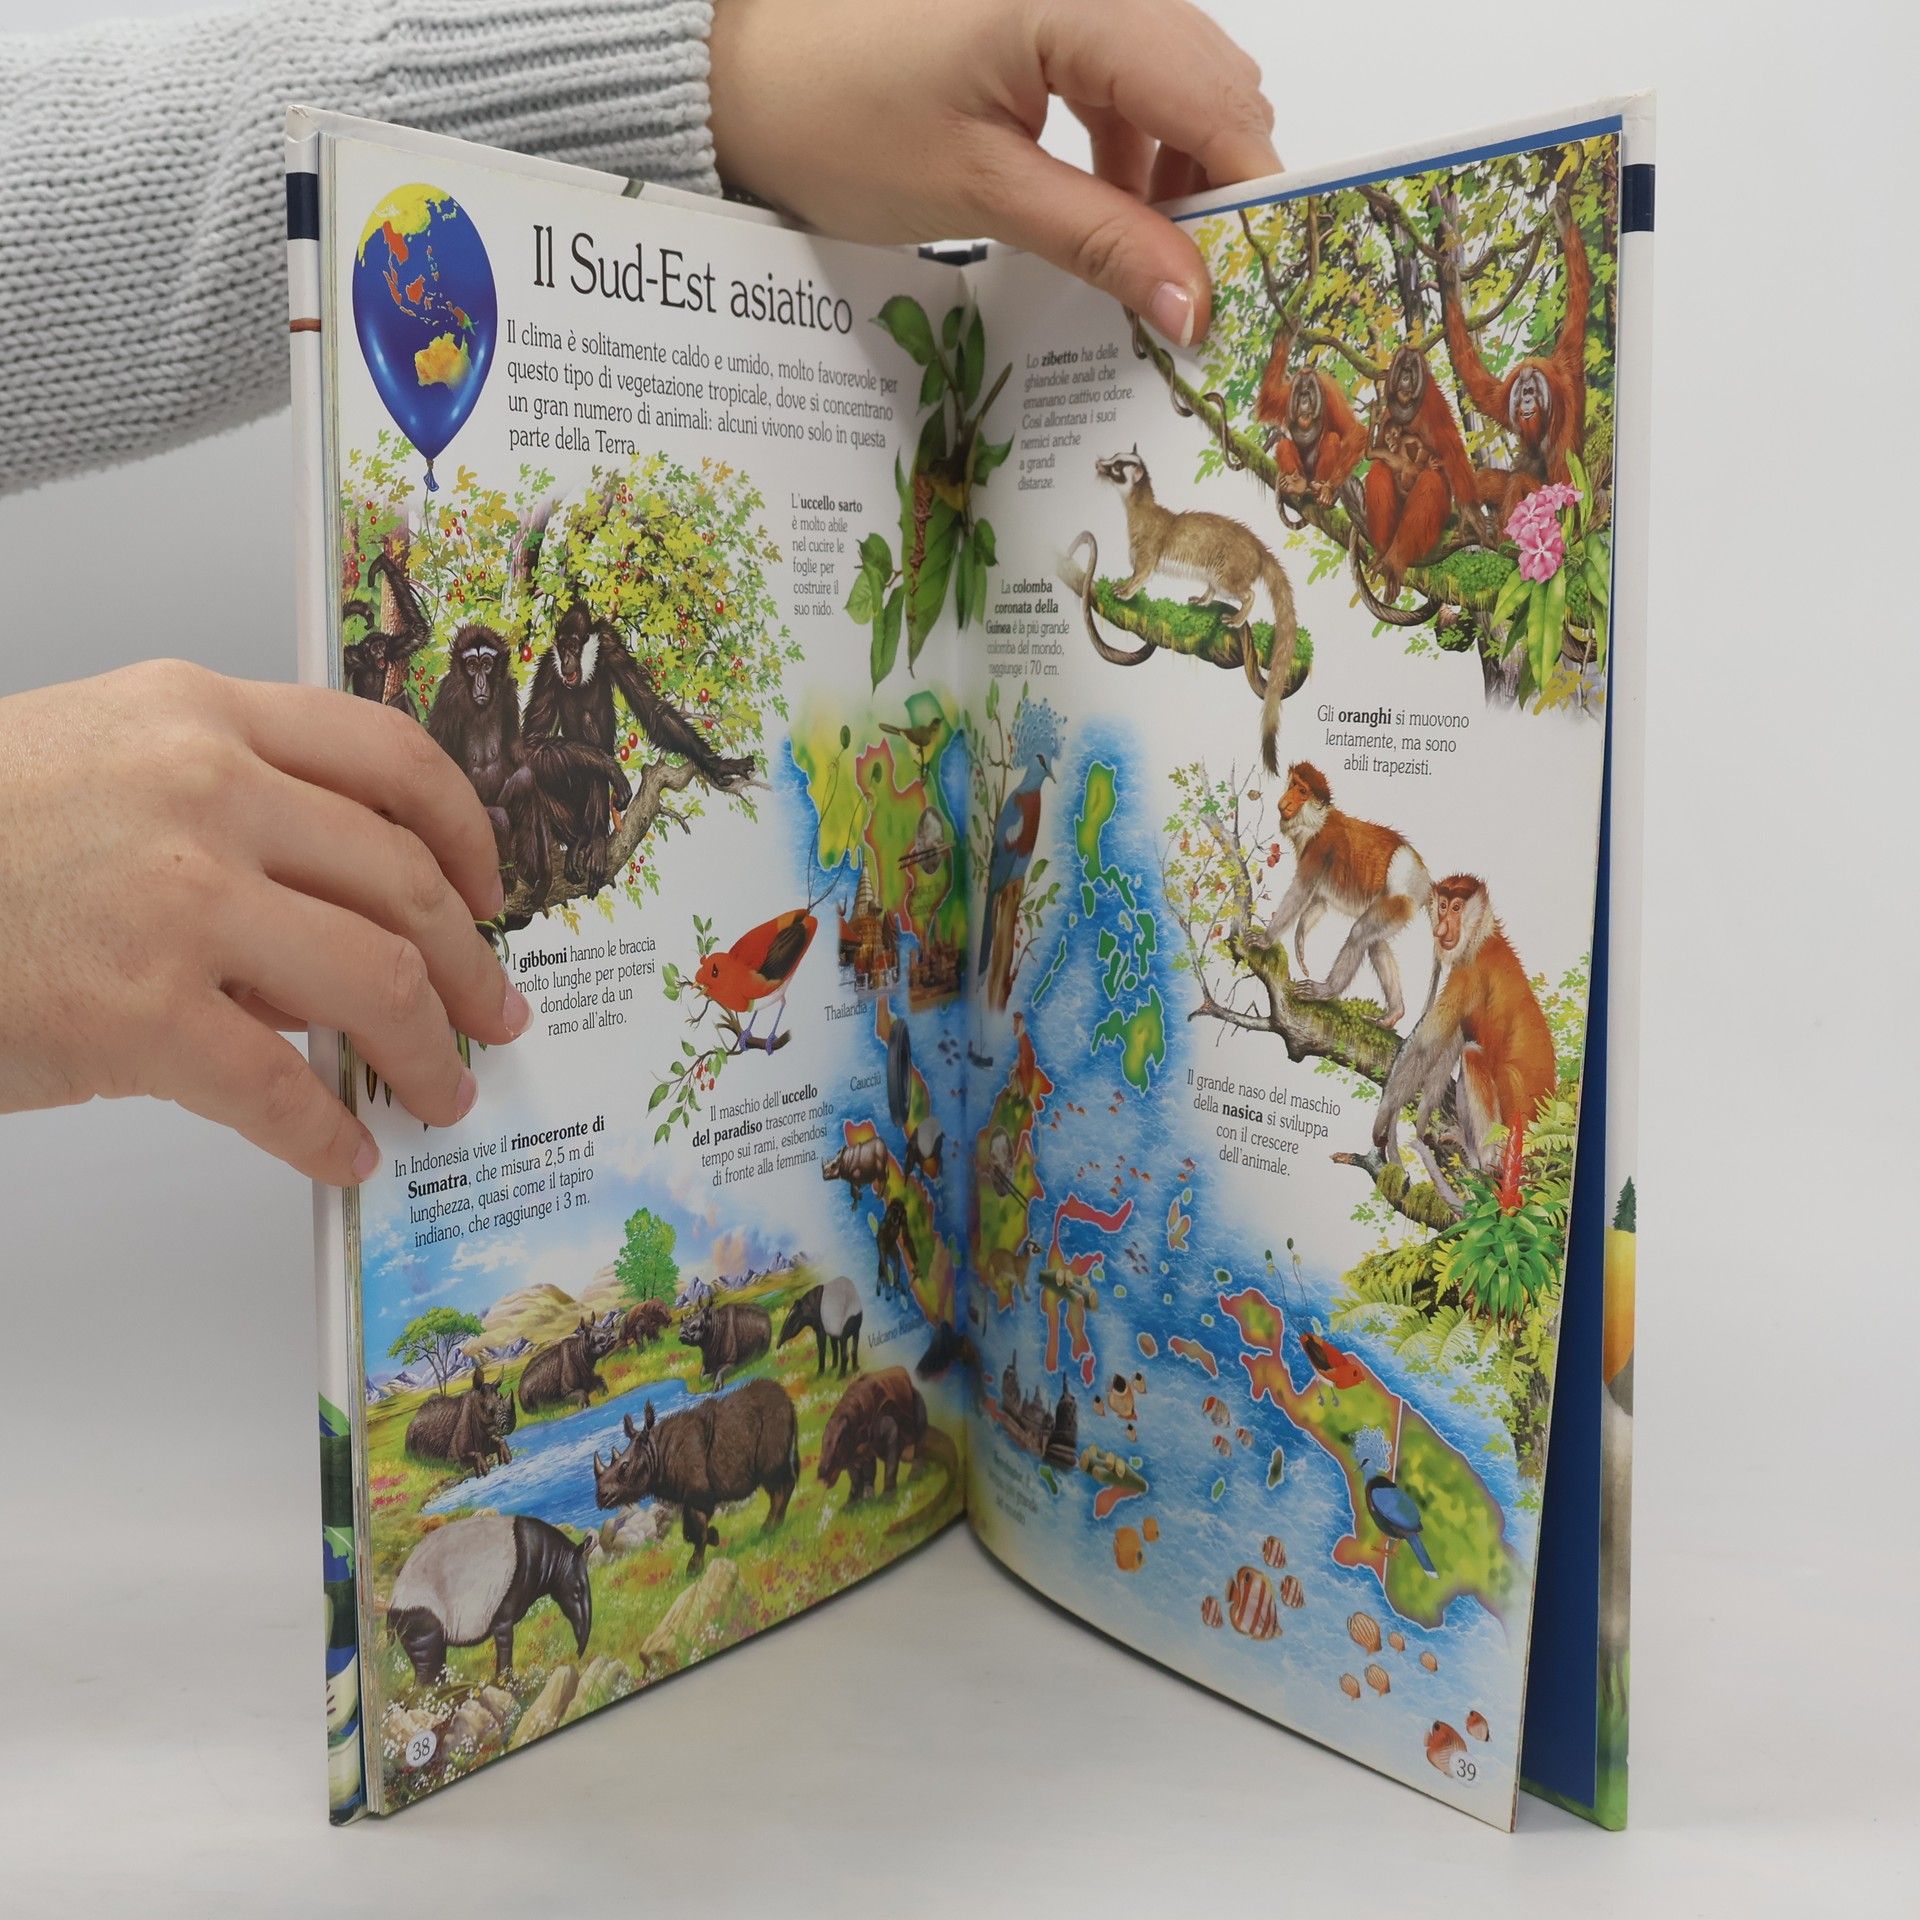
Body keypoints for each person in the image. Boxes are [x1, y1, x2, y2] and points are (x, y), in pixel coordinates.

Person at [0, 0, 1278, 1185]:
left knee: (579, 787)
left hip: (573, 795)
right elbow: (463, 750)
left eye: (519, 653)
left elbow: (133, 230)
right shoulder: (475, 687)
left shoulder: (592, 661)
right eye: (503, 656)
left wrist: (729, 77)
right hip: (514, 823)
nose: (509, 665)